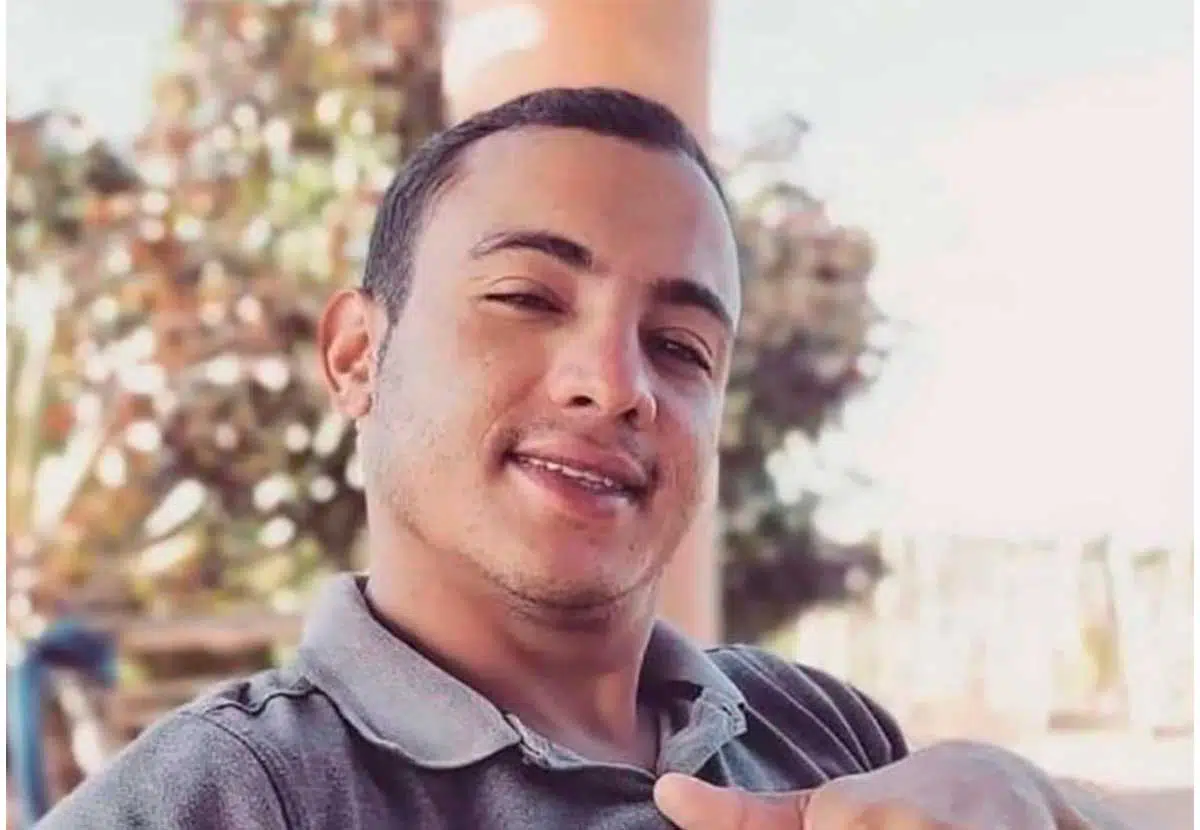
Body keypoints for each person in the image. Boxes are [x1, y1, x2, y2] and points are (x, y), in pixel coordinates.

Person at [41, 87, 1133, 830]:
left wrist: (1037, 798)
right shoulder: (237, 795)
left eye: (681, 347)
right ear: (359, 356)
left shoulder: (816, 728)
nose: (615, 384)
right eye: (527, 297)